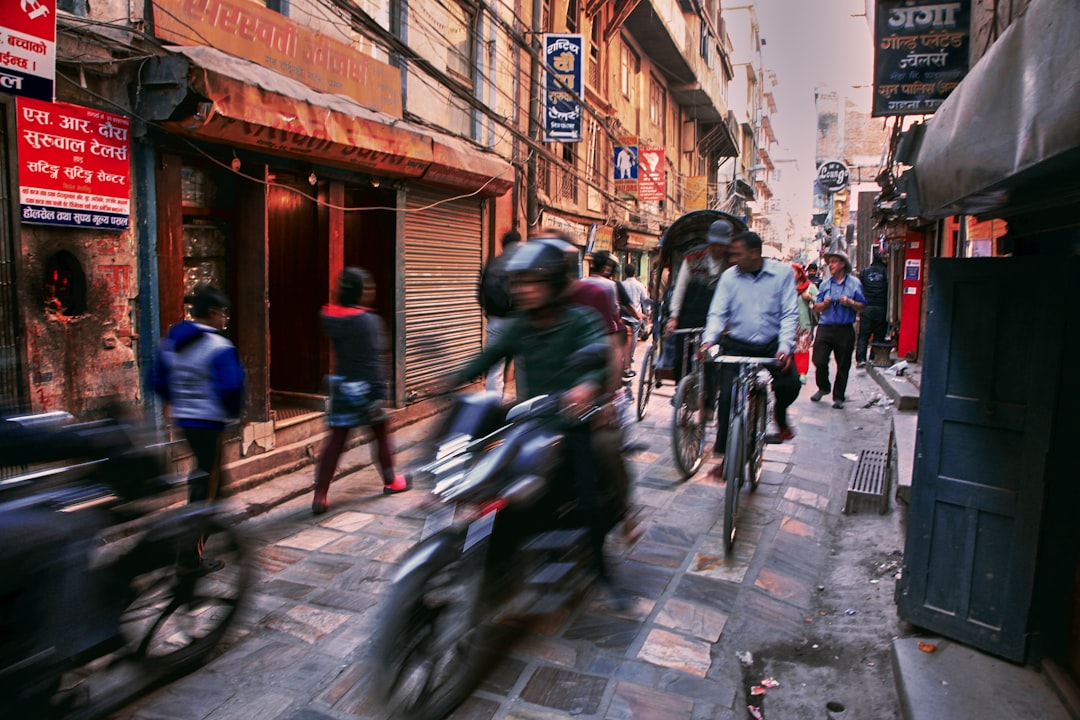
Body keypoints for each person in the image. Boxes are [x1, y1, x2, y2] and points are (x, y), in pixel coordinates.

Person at [451, 235, 626, 594]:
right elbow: (488, 358)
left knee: (590, 487)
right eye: (520, 282)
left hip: (571, 422)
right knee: (488, 481)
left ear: (555, 284)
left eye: (533, 282)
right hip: (528, 422)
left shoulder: (581, 320)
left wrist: (586, 387)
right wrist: (451, 378)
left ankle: (599, 567)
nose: (525, 290)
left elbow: (596, 356)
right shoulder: (519, 324)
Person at [153, 284, 246, 570]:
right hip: (209, 422)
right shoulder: (218, 346)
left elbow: (157, 380)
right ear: (213, 312)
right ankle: (190, 556)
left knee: (207, 478)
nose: (224, 320)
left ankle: (201, 531)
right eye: (223, 314)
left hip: (184, 419)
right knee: (207, 487)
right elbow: (232, 387)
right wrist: (231, 414)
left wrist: (180, 401)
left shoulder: (173, 341)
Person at [703, 230, 801, 471]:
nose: (733, 259)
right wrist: (709, 340)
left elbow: (789, 312)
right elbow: (717, 312)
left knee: (790, 385)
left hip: (771, 343)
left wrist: (785, 347)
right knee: (726, 397)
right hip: (736, 342)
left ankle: (779, 412)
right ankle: (726, 455)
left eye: (738, 254)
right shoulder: (728, 277)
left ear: (755, 253)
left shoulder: (782, 274)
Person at [313, 268, 408, 514]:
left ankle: (320, 495)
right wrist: (378, 392)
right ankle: (391, 480)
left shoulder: (331, 318)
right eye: (368, 288)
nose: (371, 292)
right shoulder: (369, 321)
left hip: (341, 386)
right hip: (365, 389)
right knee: (381, 435)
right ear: (360, 293)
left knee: (335, 441)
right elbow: (374, 360)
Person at [665, 218, 734, 419]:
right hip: (689, 315)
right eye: (714, 244)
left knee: (712, 363)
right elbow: (680, 288)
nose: (717, 249)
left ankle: (710, 404)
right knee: (681, 357)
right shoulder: (693, 257)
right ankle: (683, 391)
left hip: (717, 321)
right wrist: (674, 317)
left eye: (722, 245)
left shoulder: (732, 262)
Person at [810, 249, 866, 409]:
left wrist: (851, 303)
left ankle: (839, 396)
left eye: (834, 262)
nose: (830, 265)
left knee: (843, 364)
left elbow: (862, 307)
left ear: (843, 264)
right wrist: (824, 304)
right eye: (829, 262)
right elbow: (817, 307)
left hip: (844, 329)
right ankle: (823, 387)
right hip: (825, 327)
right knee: (818, 359)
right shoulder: (825, 283)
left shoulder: (854, 283)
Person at [478, 230, 521, 398]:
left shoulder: (492, 263)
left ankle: (492, 408)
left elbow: (480, 294)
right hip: (518, 321)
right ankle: (524, 407)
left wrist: (490, 314)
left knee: (495, 368)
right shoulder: (522, 263)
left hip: (495, 321)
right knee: (523, 365)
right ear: (518, 243)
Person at [857, 250, 889, 366]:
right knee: (879, 333)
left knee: (864, 334)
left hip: (867, 307)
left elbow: (859, 289)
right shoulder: (886, 272)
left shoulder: (865, 272)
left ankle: (861, 359)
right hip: (882, 307)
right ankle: (873, 357)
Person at [620, 263, 649, 374]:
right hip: (635, 317)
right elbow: (645, 302)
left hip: (623, 316)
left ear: (625, 273)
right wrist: (646, 315)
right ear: (635, 272)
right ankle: (628, 362)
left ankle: (623, 360)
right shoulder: (640, 285)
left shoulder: (622, 285)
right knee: (632, 341)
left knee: (623, 340)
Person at [792, 262, 818, 383]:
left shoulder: (809, 287)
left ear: (800, 274)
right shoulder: (787, 287)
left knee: (802, 349)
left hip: (804, 323)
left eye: (794, 272)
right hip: (789, 324)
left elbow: (820, 301)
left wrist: (810, 298)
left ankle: (802, 372)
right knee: (790, 349)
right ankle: (792, 371)